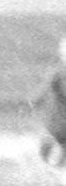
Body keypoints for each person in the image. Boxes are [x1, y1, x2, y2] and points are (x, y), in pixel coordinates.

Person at [29, 35, 66, 168]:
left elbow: (43, 90)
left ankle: (56, 166)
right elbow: (44, 88)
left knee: (60, 141)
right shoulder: (58, 72)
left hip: (58, 118)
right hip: (57, 116)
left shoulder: (58, 72)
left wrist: (36, 100)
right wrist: (36, 100)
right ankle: (50, 163)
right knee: (52, 136)